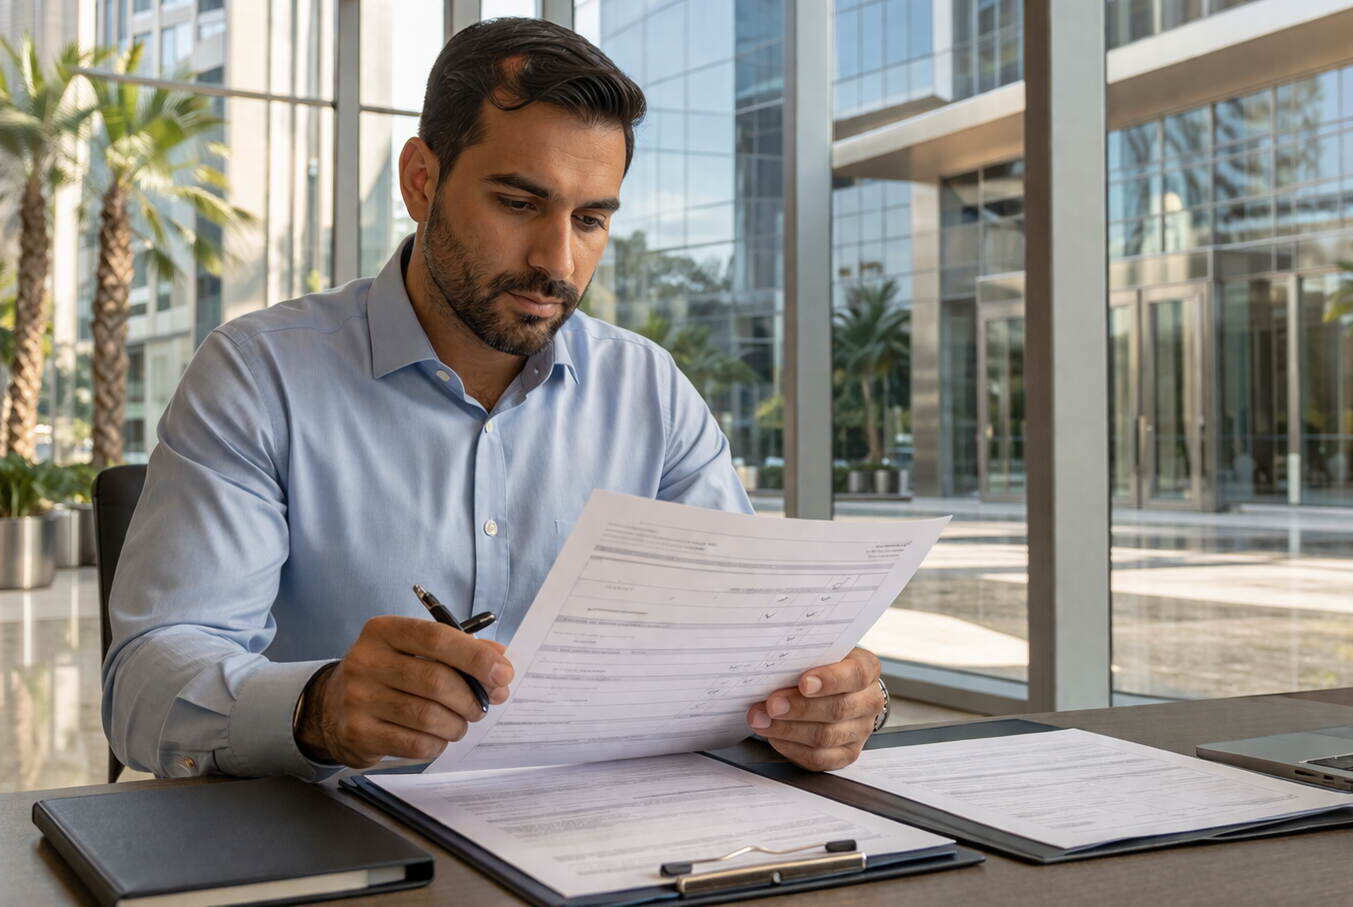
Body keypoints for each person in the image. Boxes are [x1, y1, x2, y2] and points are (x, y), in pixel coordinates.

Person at [102, 17, 887, 782]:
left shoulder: (649, 389)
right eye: (518, 203)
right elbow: (145, 686)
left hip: (600, 832)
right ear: (421, 181)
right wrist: (318, 708)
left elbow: (749, 644)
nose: (557, 260)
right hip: (341, 838)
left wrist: (835, 701)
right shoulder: (257, 375)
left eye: (590, 220)